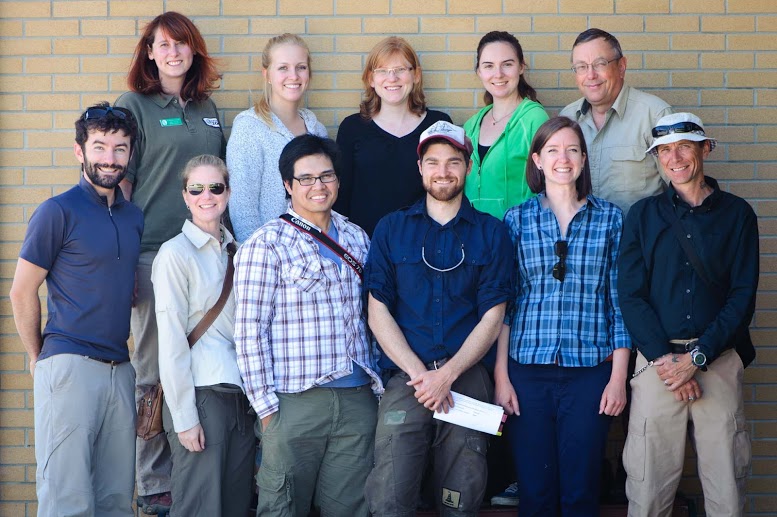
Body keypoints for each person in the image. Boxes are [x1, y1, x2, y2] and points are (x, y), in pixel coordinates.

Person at [363, 120, 514, 516]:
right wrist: (422, 376)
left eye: (453, 161)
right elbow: (377, 311)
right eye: (433, 162)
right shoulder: (391, 229)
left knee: (461, 494)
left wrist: (446, 376)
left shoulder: (492, 234)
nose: (442, 171)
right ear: (420, 168)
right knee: (390, 493)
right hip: (406, 378)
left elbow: (493, 315)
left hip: (467, 377)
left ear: (468, 167)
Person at [618, 113, 758, 517]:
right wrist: (667, 362)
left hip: (717, 363)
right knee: (647, 493)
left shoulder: (737, 215)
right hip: (657, 366)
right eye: (663, 150)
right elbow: (630, 294)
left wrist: (697, 359)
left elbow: (742, 296)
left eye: (683, 147)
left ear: (705, 149)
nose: (674, 158)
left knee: (727, 491)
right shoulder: (642, 216)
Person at [234, 134, 382, 516]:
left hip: (356, 399)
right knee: (282, 506)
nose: (318, 186)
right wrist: (267, 411)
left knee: (351, 508)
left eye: (326, 176)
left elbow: (374, 317)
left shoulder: (357, 237)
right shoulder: (266, 244)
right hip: (294, 401)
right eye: (306, 178)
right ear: (288, 185)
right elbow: (249, 332)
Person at [115, 12, 225, 513]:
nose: (174, 52)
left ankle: (194, 468)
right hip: (152, 253)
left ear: (193, 50)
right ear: (150, 53)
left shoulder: (208, 108)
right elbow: (122, 183)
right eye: (164, 45)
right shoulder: (133, 106)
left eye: (182, 44)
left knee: (202, 358)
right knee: (154, 368)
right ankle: (154, 482)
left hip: (208, 250)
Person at [9, 103, 143, 516]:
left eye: (120, 149)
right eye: (100, 146)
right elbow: (21, 291)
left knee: (116, 499)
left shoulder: (134, 217)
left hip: (120, 369)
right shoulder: (58, 211)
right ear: (79, 151)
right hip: (68, 366)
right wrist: (38, 357)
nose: (110, 158)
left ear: (130, 154)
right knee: (68, 499)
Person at [494, 117, 631, 516]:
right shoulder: (517, 220)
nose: (562, 159)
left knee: (580, 491)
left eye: (572, 149)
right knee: (535, 492)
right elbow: (507, 304)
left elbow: (618, 301)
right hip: (527, 370)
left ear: (584, 159)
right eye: (552, 150)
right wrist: (501, 377)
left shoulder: (609, 219)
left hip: (590, 371)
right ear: (537, 160)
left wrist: (618, 378)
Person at [153, 155, 254, 516]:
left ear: (228, 193)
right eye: (196, 188)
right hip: (201, 395)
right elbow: (171, 341)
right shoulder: (174, 254)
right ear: (185, 195)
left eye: (216, 187)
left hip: (241, 396)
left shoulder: (239, 252)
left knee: (235, 507)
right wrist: (184, 417)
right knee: (200, 508)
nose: (206, 196)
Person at [334, 36, 452, 236]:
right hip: (366, 246)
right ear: (371, 79)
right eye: (382, 71)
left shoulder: (438, 125)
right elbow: (341, 196)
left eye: (401, 70)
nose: (392, 78)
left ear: (416, 75)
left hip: (424, 244)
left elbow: (448, 191)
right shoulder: (352, 128)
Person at [559, 28, 673, 216]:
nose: (590, 75)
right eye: (581, 67)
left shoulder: (654, 115)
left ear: (621, 66)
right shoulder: (567, 119)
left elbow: (680, 189)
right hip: (582, 242)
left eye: (600, 64)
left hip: (638, 242)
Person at [227, 33, 327, 241]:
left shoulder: (317, 129)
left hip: (315, 254)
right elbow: (242, 207)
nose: (294, 76)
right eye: (283, 68)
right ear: (267, 75)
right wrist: (258, 257)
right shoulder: (249, 128)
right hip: (270, 256)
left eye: (301, 67)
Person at [463, 31, 549, 221]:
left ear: (521, 67)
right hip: (474, 239)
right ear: (479, 72)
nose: (498, 74)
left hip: (517, 236)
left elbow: (549, 186)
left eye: (507, 64)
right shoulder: (471, 125)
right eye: (488, 66)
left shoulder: (534, 118)